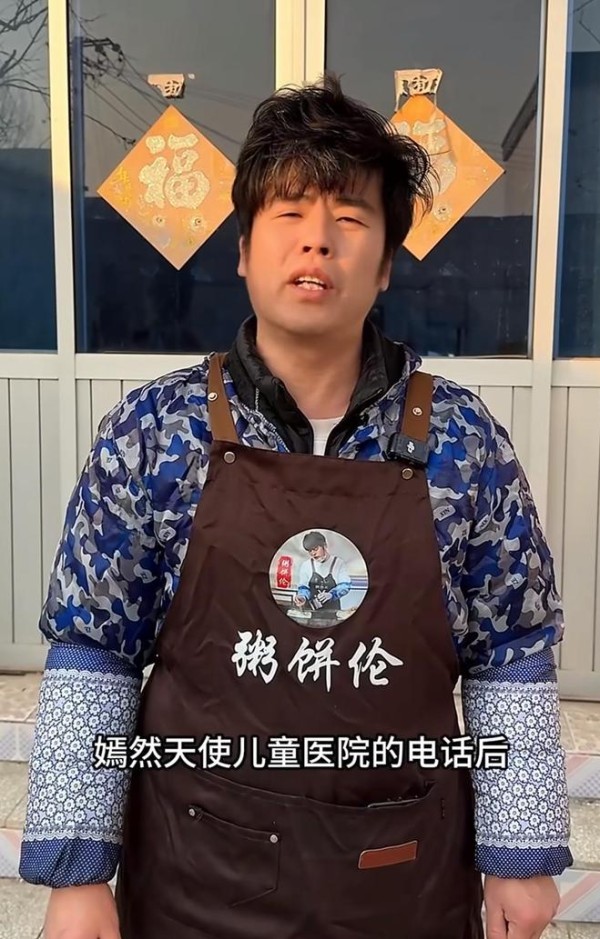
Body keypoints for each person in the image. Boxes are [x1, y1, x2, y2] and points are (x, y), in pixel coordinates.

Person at [19, 73, 571, 939]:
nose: (317, 240)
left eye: (349, 218)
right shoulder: (153, 433)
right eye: (289, 213)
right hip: (200, 877)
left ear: (384, 265)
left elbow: (511, 652)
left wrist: (522, 856)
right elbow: (96, 652)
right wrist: (76, 874)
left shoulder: (463, 442)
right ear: (244, 248)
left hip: (399, 876)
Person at [292, 531, 352, 622]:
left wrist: (332, 594)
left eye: (315, 549)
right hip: (313, 613)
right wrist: (302, 597)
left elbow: (345, 585)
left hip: (333, 612)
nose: (313, 553)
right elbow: (303, 587)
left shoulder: (338, 563)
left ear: (325, 545)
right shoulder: (306, 565)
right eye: (310, 551)